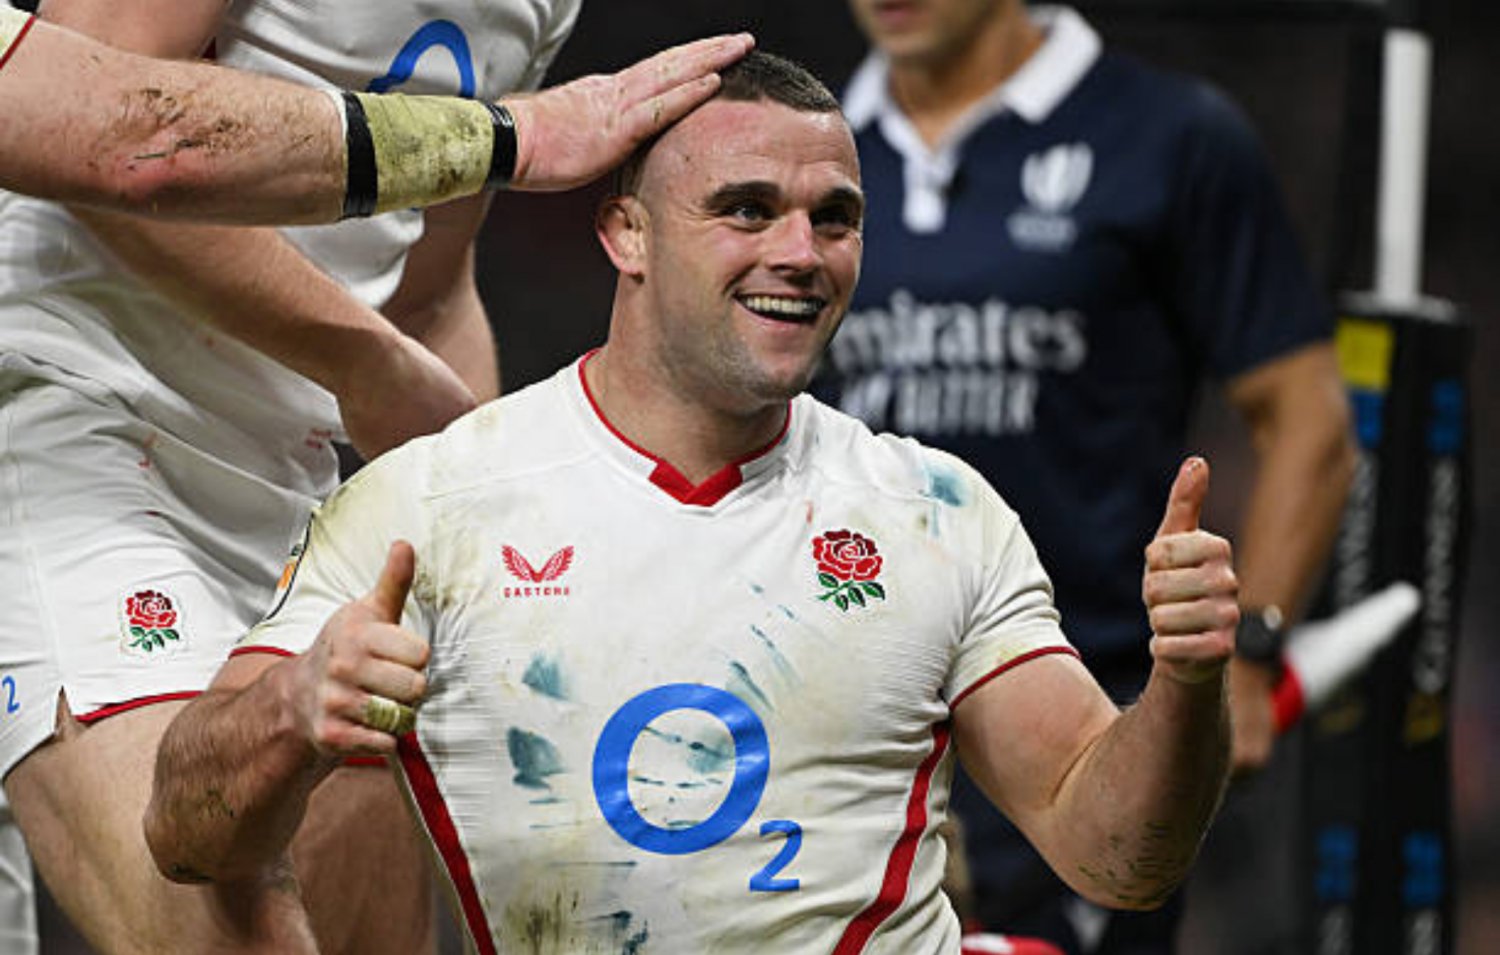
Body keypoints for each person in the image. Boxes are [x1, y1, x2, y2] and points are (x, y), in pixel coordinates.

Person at [146, 52, 1239, 954]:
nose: (799, 254)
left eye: (835, 218)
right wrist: (293, 708)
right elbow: (183, 832)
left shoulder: (937, 510)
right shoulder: (431, 505)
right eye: (747, 210)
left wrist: (1186, 681)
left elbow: (1116, 858)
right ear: (626, 233)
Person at [0, 0, 750, 952]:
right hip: (78, 407)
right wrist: (363, 362)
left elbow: (427, 291)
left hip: (299, 478)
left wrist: (498, 557)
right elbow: (91, 127)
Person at [817, 1, 1356, 951]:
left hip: (1086, 727)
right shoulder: (806, 153)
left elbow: (1309, 420)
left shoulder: (1172, 138)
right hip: (854, 722)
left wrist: (1248, 654)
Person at [0, 5, 746, 224]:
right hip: (86, 396)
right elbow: (119, 139)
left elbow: (429, 298)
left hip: (296, 454)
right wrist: (512, 139)